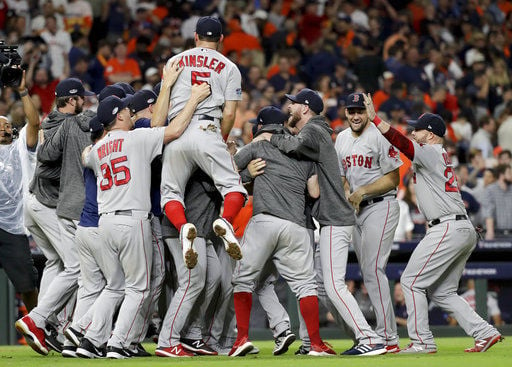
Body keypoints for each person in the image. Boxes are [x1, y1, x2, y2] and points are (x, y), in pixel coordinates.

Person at [74, 70, 211, 359]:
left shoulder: (97, 149)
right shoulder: (136, 139)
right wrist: (195, 99)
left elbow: (84, 157)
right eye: (125, 110)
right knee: (140, 286)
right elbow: (174, 130)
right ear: (119, 118)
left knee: (115, 286)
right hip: (132, 220)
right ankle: (117, 343)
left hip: (105, 222)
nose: (129, 112)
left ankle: (87, 337)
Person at [362, 94, 503, 354]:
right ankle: (485, 332)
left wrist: (376, 120)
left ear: (430, 134)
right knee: (443, 292)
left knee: (411, 281)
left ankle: (422, 341)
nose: (413, 132)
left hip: (448, 227)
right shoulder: (436, 154)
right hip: (460, 228)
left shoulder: (430, 151)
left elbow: (402, 143)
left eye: (418, 129)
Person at [256, 89, 386, 356]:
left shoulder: (314, 130)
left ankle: (369, 338)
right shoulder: (315, 132)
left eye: (292, 104)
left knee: (334, 286)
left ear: (305, 108)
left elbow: (292, 145)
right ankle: (342, 339)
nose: (288, 108)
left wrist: (270, 137)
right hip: (330, 218)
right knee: (319, 287)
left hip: (334, 218)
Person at [232, 106, 334, 357]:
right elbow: (314, 193)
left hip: (265, 221)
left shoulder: (258, 146)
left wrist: (247, 174)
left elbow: (226, 173)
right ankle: (316, 344)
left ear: (262, 126)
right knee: (305, 286)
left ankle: (241, 338)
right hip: (296, 226)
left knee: (243, 280)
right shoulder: (303, 151)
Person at [160, 16, 247, 270]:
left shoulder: (174, 61)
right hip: (207, 127)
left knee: (171, 193)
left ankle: (183, 225)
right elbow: (230, 114)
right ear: (221, 39)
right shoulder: (230, 67)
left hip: (176, 129)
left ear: (195, 37)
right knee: (233, 188)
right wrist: (217, 141)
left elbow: (164, 103)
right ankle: (225, 221)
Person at [16, 78, 95, 356]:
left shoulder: (53, 119)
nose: (85, 102)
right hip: (48, 204)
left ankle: (46, 325)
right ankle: (37, 320)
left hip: (34, 202)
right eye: (81, 98)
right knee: (75, 266)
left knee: (56, 262)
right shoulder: (67, 123)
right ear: (72, 100)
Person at [335, 92, 402, 352]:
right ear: (345, 113)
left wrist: (362, 190)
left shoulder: (378, 135)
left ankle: (388, 337)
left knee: (374, 270)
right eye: (351, 111)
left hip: (381, 205)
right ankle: (382, 334)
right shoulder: (340, 139)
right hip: (356, 210)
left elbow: (393, 178)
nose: (355, 115)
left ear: (368, 111)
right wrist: (346, 194)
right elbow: (341, 177)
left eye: (360, 111)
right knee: (369, 273)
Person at [0, 71, 40, 314]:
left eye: (6, 125)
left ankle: (38, 325)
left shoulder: (21, 149)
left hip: (13, 226)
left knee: (26, 283)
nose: (3, 129)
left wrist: (23, 91)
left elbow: (34, 122)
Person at [482, 164, 512, 239]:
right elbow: (489, 212)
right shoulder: (490, 190)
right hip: (497, 233)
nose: (511, 175)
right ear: (502, 175)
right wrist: (490, 231)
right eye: (509, 173)